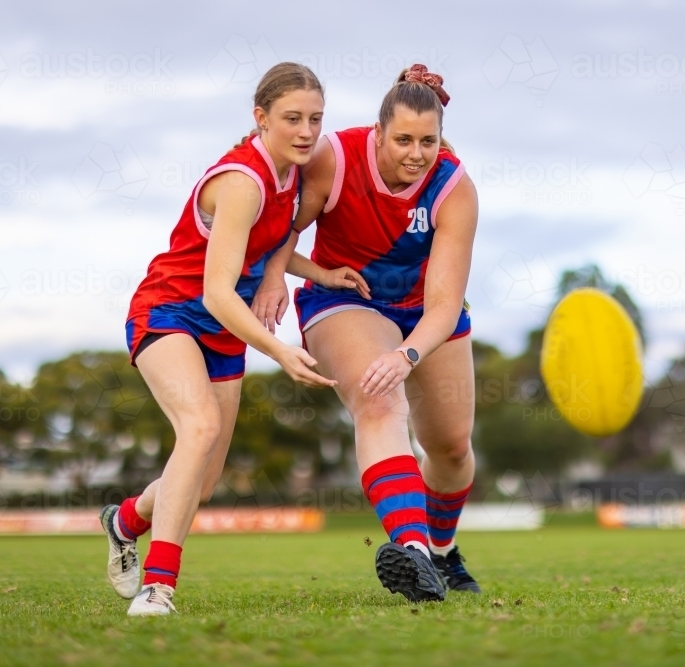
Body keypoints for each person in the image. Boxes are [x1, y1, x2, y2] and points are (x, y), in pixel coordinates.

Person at [99, 63, 338, 616]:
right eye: (292, 119)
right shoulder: (241, 182)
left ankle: (125, 520)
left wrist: (317, 273)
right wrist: (279, 350)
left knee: (201, 484)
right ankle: (160, 587)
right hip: (170, 312)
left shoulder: (293, 174)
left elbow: (270, 244)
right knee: (200, 425)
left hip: (223, 330)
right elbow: (217, 292)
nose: (306, 131)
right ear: (261, 118)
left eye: (315, 120)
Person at [252, 64, 480, 602]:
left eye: (428, 141)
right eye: (402, 139)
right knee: (379, 403)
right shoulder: (336, 156)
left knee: (449, 448)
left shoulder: (454, 186)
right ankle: (415, 552)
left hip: (424, 313)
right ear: (378, 133)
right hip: (344, 299)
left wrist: (408, 353)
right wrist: (271, 277)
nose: (415, 153)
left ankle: (442, 552)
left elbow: (445, 305)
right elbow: (286, 227)